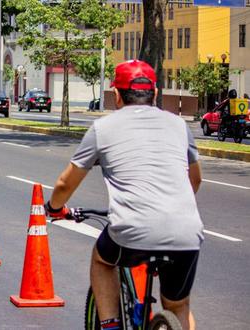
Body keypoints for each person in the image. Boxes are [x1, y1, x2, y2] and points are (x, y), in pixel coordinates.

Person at [45, 60, 203, 330]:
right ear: (154, 94)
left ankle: (110, 325)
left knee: (101, 260)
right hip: (187, 232)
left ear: (116, 96)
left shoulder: (103, 128)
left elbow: (64, 184)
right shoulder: (179, 126)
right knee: (178, 305)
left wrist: (55, 209)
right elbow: (195, 180)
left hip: (132, 230)